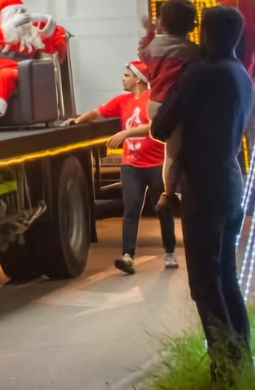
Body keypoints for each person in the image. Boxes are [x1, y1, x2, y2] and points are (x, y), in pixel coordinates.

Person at [151, 6, 254, 386]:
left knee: (205, 287)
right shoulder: (240, 74)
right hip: (230, 182)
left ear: (206, 37)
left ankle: (226, 376)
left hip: (204, 189)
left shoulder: (202, 75)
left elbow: (161, 128)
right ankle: (243, 365)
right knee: (226, 279)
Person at [66, 61, 178, 273]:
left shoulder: (152, 100)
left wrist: (127, 133)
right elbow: (97, 112)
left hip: (155, 165)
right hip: (131, 165)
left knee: (162, 209)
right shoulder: (122, 101)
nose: (123, 79)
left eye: (126, 75)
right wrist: (77, 121)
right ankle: (128, 256)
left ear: (137, 79)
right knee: (131, 209)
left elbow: (155, 126)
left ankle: (170, 253)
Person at [139, 0, 200, 197]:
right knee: (175, 152)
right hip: (175, 106)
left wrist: (150, 32)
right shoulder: (192, 51)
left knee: (170, 153)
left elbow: (144, 54)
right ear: (191, 25)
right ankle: (171, 193)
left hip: (155, 104)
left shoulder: (153, 47)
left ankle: (170, 191)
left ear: (162, 23)